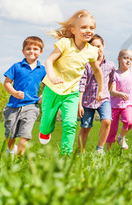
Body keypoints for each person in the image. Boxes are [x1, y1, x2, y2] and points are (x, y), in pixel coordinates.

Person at [39, 10, 105, 155]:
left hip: (72, 93)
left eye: (92, 28)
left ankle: (65, 155)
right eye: (84, 27)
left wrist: (101, 90)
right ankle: (45, 132)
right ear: (73, 30)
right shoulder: (65, 43)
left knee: (70, 124)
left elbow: (97, 71)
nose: (88, 31)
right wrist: (52, 77)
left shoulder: (91, 51)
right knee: (46, 123)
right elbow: (49, 61)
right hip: (52, 89)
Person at [2, 36, 47, 156]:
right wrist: (14, 93)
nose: (32, 51)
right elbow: (7, 83)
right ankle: (11, 150)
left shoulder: (42, 70)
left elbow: (47, 85)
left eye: (35, 49)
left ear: (40, 52)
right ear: (23, 51)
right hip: (13, 106)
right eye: (28, 48)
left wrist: (44, 95)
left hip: (31, 106)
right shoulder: (16, 67)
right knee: (10, 134)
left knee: (25, 134)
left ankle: (19, 158)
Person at [77, 34, 116, 154]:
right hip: (87, 100)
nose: (97, 49)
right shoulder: (86, 64)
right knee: (86, 127)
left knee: (107, 121)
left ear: (103, 46)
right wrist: (79, 104)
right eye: (93, 46)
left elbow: (111, 81)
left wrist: (105, 92)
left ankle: (99, 149)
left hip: (103, 99)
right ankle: (81, 152)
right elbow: (81, 85)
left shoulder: (110, 65)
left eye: (99, 46)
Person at [106, 49, 132, 150]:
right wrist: (120, 94)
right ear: (119, 59)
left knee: (129, 122)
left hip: (127, 104)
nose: (128, 61)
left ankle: (121, 137)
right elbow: (112, 91)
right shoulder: (115, 74)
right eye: (125, 58)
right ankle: (107, 152)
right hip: (114, 106)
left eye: (131, 59)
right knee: (112, 130)